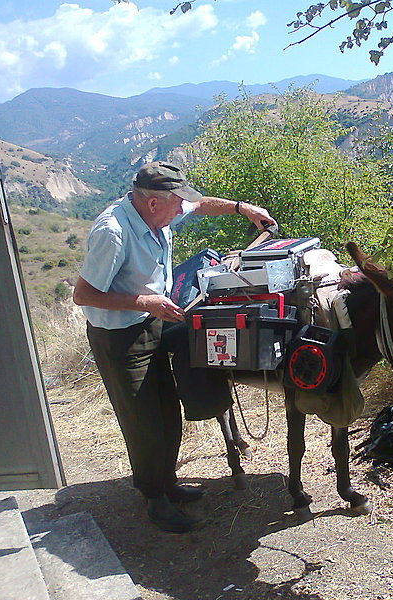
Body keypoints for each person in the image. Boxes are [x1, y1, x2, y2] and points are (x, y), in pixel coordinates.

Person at [73, 161, 276, 533]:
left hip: (152, 322)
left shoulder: (159, 208)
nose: (179, 209)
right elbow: (83, 295)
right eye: (173, 204)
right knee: (144, 422)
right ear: (152, 203)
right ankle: (155, 500)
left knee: (168, 412)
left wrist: (241, 208)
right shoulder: (113, 232)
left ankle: (166, 483)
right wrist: (145, 303)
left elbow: (198, 205)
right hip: (119, 337)